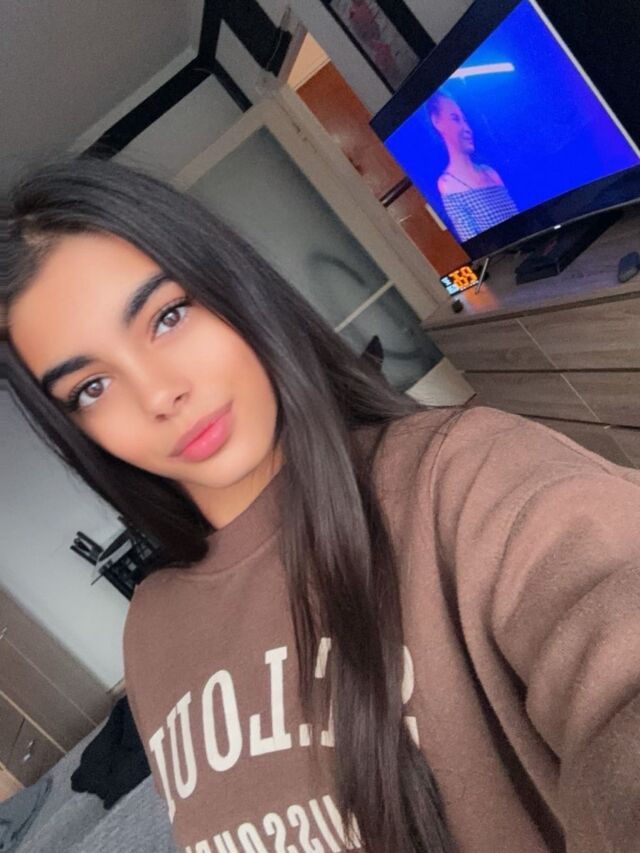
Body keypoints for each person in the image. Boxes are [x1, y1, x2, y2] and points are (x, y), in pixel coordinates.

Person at [4, 156, 640, 853]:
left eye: (168, 316)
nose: (158, 394)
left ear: (232, 287)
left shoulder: (463, 477)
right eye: (91, 388)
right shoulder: (151, 632)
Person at [427, 91, 519, 242]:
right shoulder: (447, 184)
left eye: (465, 120)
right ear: (436, 122)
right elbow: (475, 241)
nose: (466, 128)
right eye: (455, 119)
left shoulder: (490, 172)